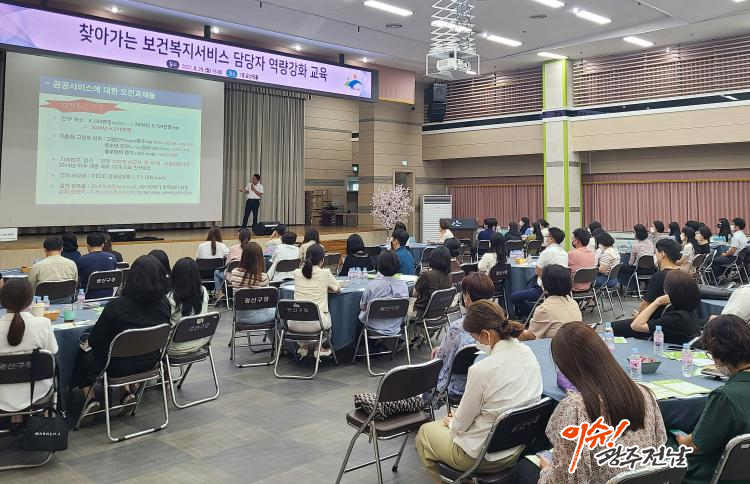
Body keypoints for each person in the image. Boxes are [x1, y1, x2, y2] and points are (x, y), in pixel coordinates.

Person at [416, 300, 542, 482]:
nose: (476, 343)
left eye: (475, 338)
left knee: (425, 433)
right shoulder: (528, 353)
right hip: (517, 447)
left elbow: (460, 426)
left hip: (482, 456)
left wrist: (454, 422)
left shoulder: (482, 370)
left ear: (485, 335)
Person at [531, 324, 666, 484]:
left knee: (525, 469)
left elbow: (567, 478)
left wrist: (546, 471)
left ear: (564, 365)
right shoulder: (643, 393)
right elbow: (660, 449)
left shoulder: (576, 407)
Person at [74, 255, 171, 416]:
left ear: (131, 278)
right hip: (150, 361)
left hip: (116, 366)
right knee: (120, 351)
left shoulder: (116, 306)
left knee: (83, 349)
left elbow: (95, 342)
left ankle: (90, 399)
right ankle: (125, 392)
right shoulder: (165, 305)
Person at [676, 314, 750, 484]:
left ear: (718, 356)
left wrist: (679, 438)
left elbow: (695, 446)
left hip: (716, 473)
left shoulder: (726, 396)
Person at [431, 272, 495, 401]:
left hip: (458, 388)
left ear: (467, 297)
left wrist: (440, 351)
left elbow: (441, 360)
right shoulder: (498, 323)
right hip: (489, 386)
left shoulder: (458, 327)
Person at [0, 279, 58, 413]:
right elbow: (53, 353)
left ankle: (16, 417)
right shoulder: (43, 324)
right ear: (30, 300)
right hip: (37, 391)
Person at [613, 269, 701, 344]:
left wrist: (657, 302)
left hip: (663, 349)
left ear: (668, 292)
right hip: (669, 339)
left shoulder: (677, 318)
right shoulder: (689, 309)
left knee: (610, 328)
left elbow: (635, 326)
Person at [290, 244, 341, 358]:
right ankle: (319, 348)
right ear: (322, 261)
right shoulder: (325, 273)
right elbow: (337, 288)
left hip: (293, 322)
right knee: (326, 316)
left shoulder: (297, 273)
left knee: (308, 312)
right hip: (316, 323)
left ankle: (304, 346)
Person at [510, 227, 568, 318]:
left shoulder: (546, 252)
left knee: (514, 296)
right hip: (561, 289)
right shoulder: (565, 253)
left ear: (551, 239)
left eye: (547, 236)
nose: (545, 238)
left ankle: (533, 315)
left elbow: (537, 272)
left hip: (545, 289)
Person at [520, 264, 582, 341]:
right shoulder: (572, 302)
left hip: (556, 345)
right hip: (573, 343)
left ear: (543, 284)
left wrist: (510, 333)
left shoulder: (545, 309)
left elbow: (529, 336)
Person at [358, 251, 409, 337]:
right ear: (398, 264)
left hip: (373, 327)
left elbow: (363, 306)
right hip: (396, 326)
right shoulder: (404, 285)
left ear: (379, 265)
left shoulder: (371, 286)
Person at [166, 258, 209, 355]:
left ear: (175, 275)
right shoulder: (203, 292)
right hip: (197, 343)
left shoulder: (171, 297)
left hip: (174, 347)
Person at [229, 242, 275, 325]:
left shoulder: (234, 273)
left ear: (243, 256)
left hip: (239, 316)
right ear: (260, 258)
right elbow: (267, 301)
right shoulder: (263, 277)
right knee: (281, 311)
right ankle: (274, 334)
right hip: (258, 316)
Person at [28, 236, 78, 301]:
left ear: (45, 249)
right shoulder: (72, 264)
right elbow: (74, 283)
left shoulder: (37, 266)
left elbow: (30, 287)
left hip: (42, 303)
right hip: (66, 301)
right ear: (62, 248)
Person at [411, 246, 453, 322]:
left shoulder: (427, 275)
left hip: (422, 313)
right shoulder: (449, 276)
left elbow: (414, 294)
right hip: (440, 313)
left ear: (433, 259)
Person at [76, 232, 117, 299]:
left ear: (87, 245)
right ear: (103, 245)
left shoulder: (81, 260)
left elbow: (77, 280)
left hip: (88, 298)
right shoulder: (112, 257)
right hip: (108, 296)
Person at [214, 228, 251, 296]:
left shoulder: (233, 248)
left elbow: (227, 265)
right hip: (250, 277)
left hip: (233, 278)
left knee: (216, 272)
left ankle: (219, 294)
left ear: (239, 238)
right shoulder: (254, 248)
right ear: (250, 237)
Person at [568, 228, 596, 292]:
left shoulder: (571, 254)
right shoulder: (592, 253)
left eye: (573, 238)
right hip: (587, 287)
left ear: (577, 241)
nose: (572, 240)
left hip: (572, 287)